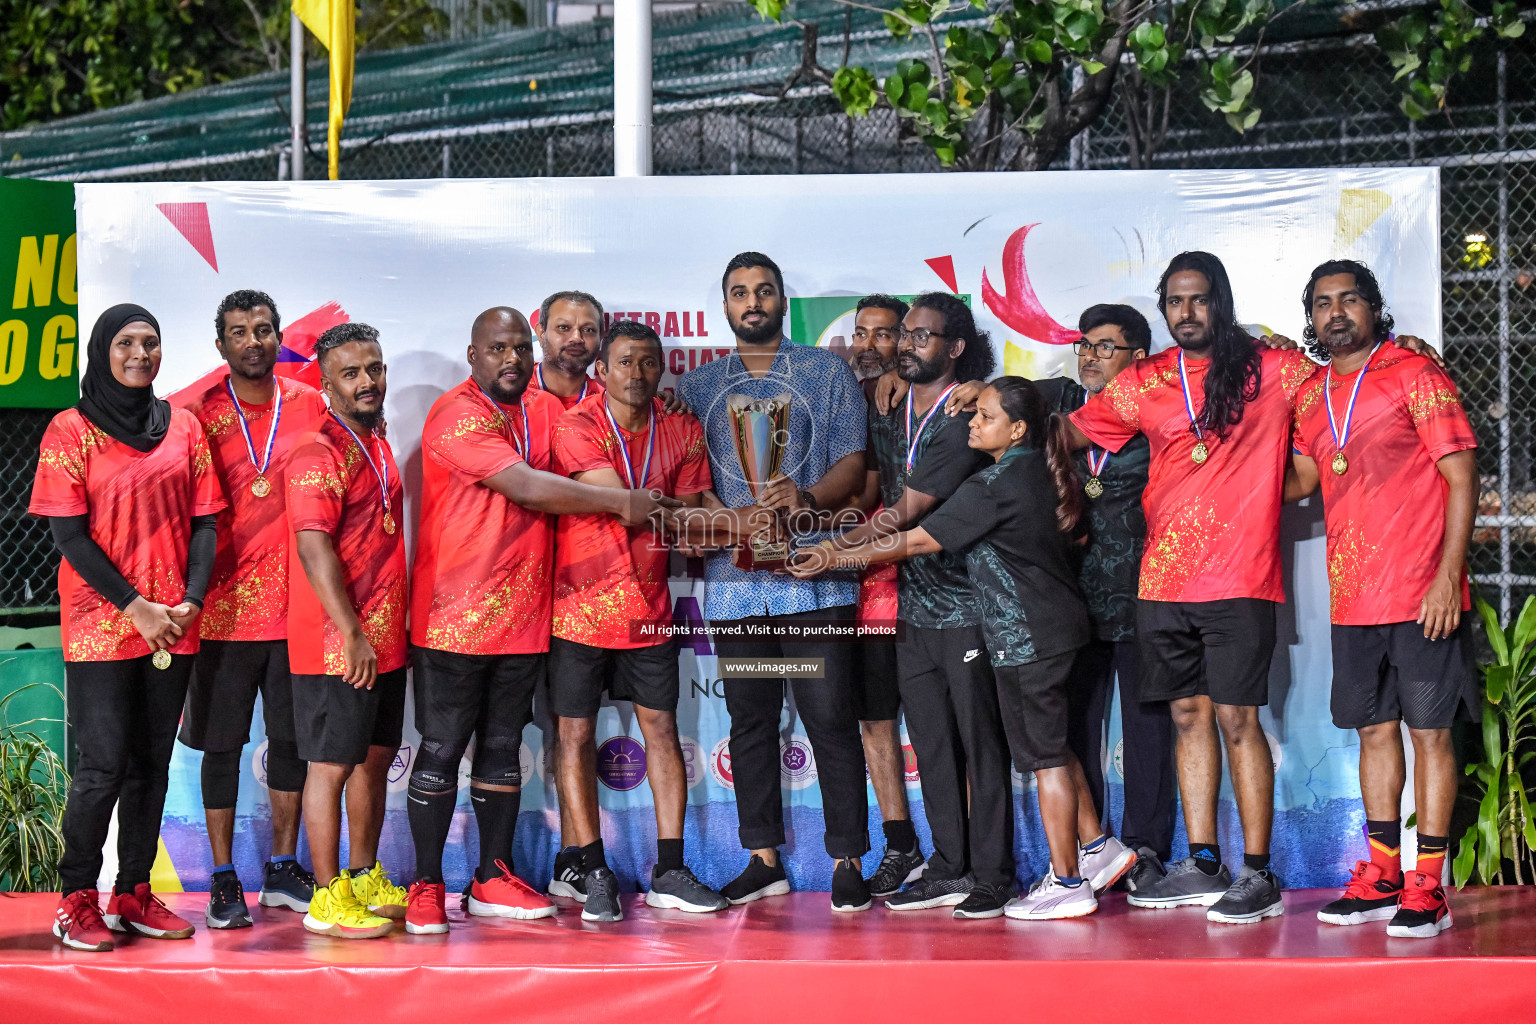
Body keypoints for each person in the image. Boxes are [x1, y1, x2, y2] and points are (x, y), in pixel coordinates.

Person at [1061, 252, 1319, 925]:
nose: (1186, 312)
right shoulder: (1145, 380)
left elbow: (1340, 403)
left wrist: (1269, 493)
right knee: (1186, 718)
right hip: (1163, 580)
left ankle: (1257, 873)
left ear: (1220, 301)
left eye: (1198, 300)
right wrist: (1004, 399)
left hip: (1240, 580)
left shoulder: (1275, 368)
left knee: (1239, 720)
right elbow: (1069, 432)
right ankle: (1203, 863)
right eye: (1175, 301)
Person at [402, 307, 677, 934]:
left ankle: (492, 877)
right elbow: (527, 486)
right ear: (473, 356)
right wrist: (620, 502)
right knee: (443, 751)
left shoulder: (545, 411)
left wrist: (672, 415)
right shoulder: (456, 412)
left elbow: (607, 428)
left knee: (503, 751)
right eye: (497, 349)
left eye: (520, 349)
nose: (512, 360)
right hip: (455, 618)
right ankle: (425, 884)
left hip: (526, 618)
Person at [791, 377, 1100, 919]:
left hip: (1006, 628)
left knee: (1004, 752)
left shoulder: (998, 481)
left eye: (982, 417)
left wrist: (830, 557)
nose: (970, 426)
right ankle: (954, 865)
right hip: (962, 623)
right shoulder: (1029, 466)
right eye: (972, 414)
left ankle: (1023, 877)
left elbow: (915, 539)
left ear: (1018, 428)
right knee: (953, 748)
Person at [669, 251, 872, 912]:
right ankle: (763, 859)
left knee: (830, 719)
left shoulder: (825, 371)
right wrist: (726, 519)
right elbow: (689, 488)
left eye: (763, 291)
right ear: (723, 305)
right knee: (750, 722)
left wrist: (804, 497)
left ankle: (847, 859)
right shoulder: (698, 389)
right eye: (739, 292)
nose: (752, 302)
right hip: (735, 587)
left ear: (783, 300)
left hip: (814, 581)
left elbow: (852, 460)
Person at [1286, 260, 1476, 939]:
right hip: (1354, 596)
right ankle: (1384, 874)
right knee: (1373, 732)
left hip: (1424, 591)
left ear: (1374, 308)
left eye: (1350, 300)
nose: (1336, 313)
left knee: (1428, 734)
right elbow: (1305, 477)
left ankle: (1430, 886)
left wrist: (1448, 576)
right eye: (1322, 304)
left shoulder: (1415, 375)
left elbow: (1461, 474)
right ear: (1310, 317)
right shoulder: (1311, 395)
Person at [33, 304, 225, 951]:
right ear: (101, 350)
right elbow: (70, 535)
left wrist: (191, 601)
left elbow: (206, 522)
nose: (141, 353)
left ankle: (134, 893)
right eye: (126, 343)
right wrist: (134, 605)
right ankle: (77, 899)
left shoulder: (184, 428)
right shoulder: (71, 429)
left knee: (151, 766)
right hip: (102, 624)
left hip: (173, 625)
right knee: (102, 766)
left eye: (151, 341)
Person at [824, 293, 1015, 919]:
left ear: (955, 348)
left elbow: (909, 510)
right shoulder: (894, 406)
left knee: (979, 746)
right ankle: (950, 866)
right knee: (932, 744)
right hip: (912, 606)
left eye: (922, 337)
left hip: (969, 604)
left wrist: (830, 553)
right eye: (904, 335)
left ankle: (993, 874)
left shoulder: (971, 414)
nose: (906, 346)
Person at [547, 320, 728, 922]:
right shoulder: (576, 426)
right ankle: (591, 866)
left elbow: (703, 517)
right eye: (624, 362)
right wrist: (688, 515)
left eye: (649, 363)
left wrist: (731, 522)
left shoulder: (682, 427)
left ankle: (669, 868)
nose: (638, 374)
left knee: (662, 733)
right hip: (577, 611)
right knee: (572, 738)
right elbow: (619, 499)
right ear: (601, 370)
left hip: (651, 611)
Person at [176, 290, 327, 929]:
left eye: (264, 330)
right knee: (221, 746)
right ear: (221, 346)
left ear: (278, 336)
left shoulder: (312, 406)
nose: (254, 341)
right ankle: (221, 876)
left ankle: (284, 867)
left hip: (297, 610)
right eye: (239, 332)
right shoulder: (196, 417)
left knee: (291, 743)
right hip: (221, 612)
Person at [1037, 306, 1173, 896]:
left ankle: (1145, 850)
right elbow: (1006, 395)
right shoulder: (1061, 404)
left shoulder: (1162, 411)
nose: (1090, 357)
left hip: (1146, 594)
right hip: (1073, 600)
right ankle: (1095, 853)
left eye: (1106, 347)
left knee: (1148, 729)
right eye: (1084, 346)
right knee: (1076, 725)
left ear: (1138, 358)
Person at [287, 322, 410, 939]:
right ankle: (327, 895)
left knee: (372, 759)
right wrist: (353, 633)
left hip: (385, 641)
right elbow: (314, 548)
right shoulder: (318, 451)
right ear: (328, 382)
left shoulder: (375, 440)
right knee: (331, 765)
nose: (368, 382)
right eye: (352, 373)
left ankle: (363, 876)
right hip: (339, 645)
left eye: (375, 369)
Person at [844, 294, 925, 896]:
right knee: (875, 724)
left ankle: (965, 852)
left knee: (940, 729)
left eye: (885, 335)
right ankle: (902, 847)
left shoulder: (933, 397)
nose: (870, 346)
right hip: (864, 593)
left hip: (932, 592)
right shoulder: (843, 397)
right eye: (862, 334)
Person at [530, 290, 606, 411]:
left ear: (600, 337)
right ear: (541, 333)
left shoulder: (608, 407)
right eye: (563, 328)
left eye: (588, 330)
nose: (576, 338)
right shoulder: (510, 392)